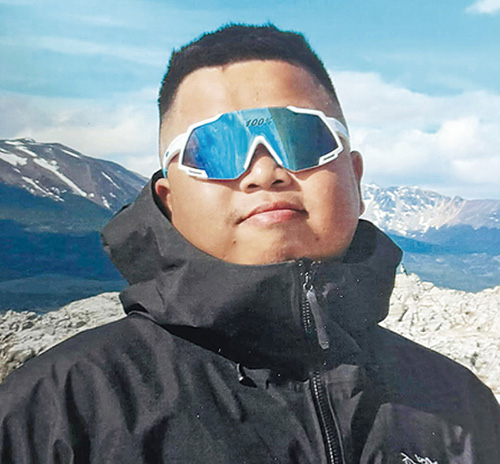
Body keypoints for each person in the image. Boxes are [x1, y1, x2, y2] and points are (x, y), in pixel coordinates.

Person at [0, 24, 499, 464]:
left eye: (301, 139)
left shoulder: (462, 406)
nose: (264, 172)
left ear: (356, 177)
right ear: (169, 200)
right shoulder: (52, 414)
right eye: (215, 149)